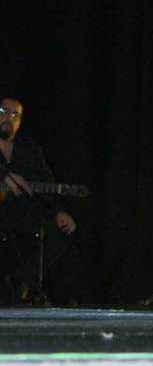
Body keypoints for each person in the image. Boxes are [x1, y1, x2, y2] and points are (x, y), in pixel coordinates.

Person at [0, 96, 76, 302]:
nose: (7, 118)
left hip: (22, 214)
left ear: (20, 121)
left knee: (63, 230)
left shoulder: (29, 149)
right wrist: (4, 175)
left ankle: (19, 279)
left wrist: (60, 210)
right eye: (3, 111)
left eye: (14, 115)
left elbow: (46, 180)